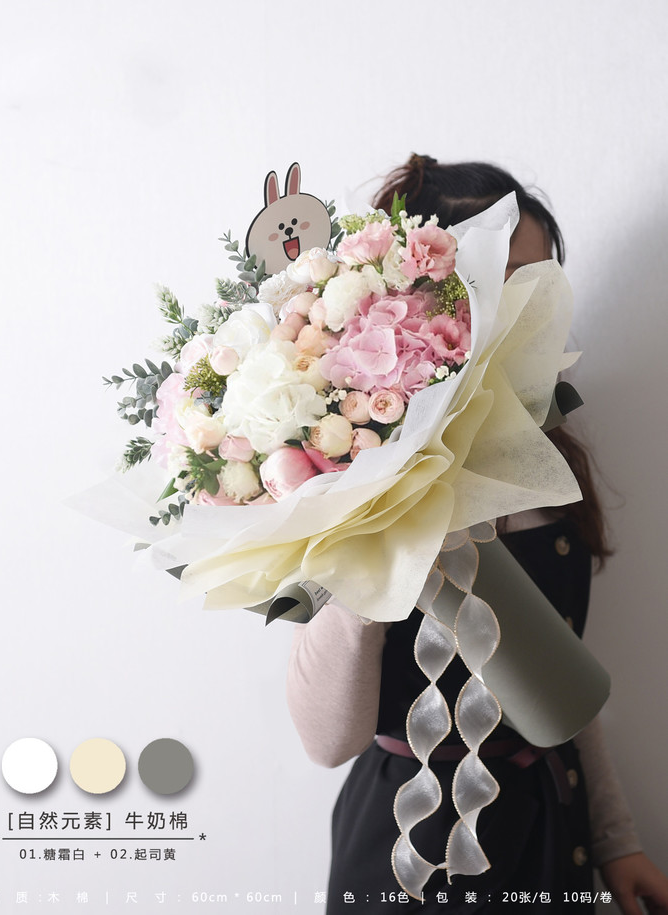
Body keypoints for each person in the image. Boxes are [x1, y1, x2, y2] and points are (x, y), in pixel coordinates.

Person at [286, 155, 668, 914]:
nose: (535, 306)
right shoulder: (349, 447)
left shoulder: (544, 445)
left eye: (545, 282)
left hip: (549, 826)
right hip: (413, 845)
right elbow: (326, 741)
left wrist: (616, 839)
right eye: (508, 277)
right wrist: (377, 539)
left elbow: (560, 672)